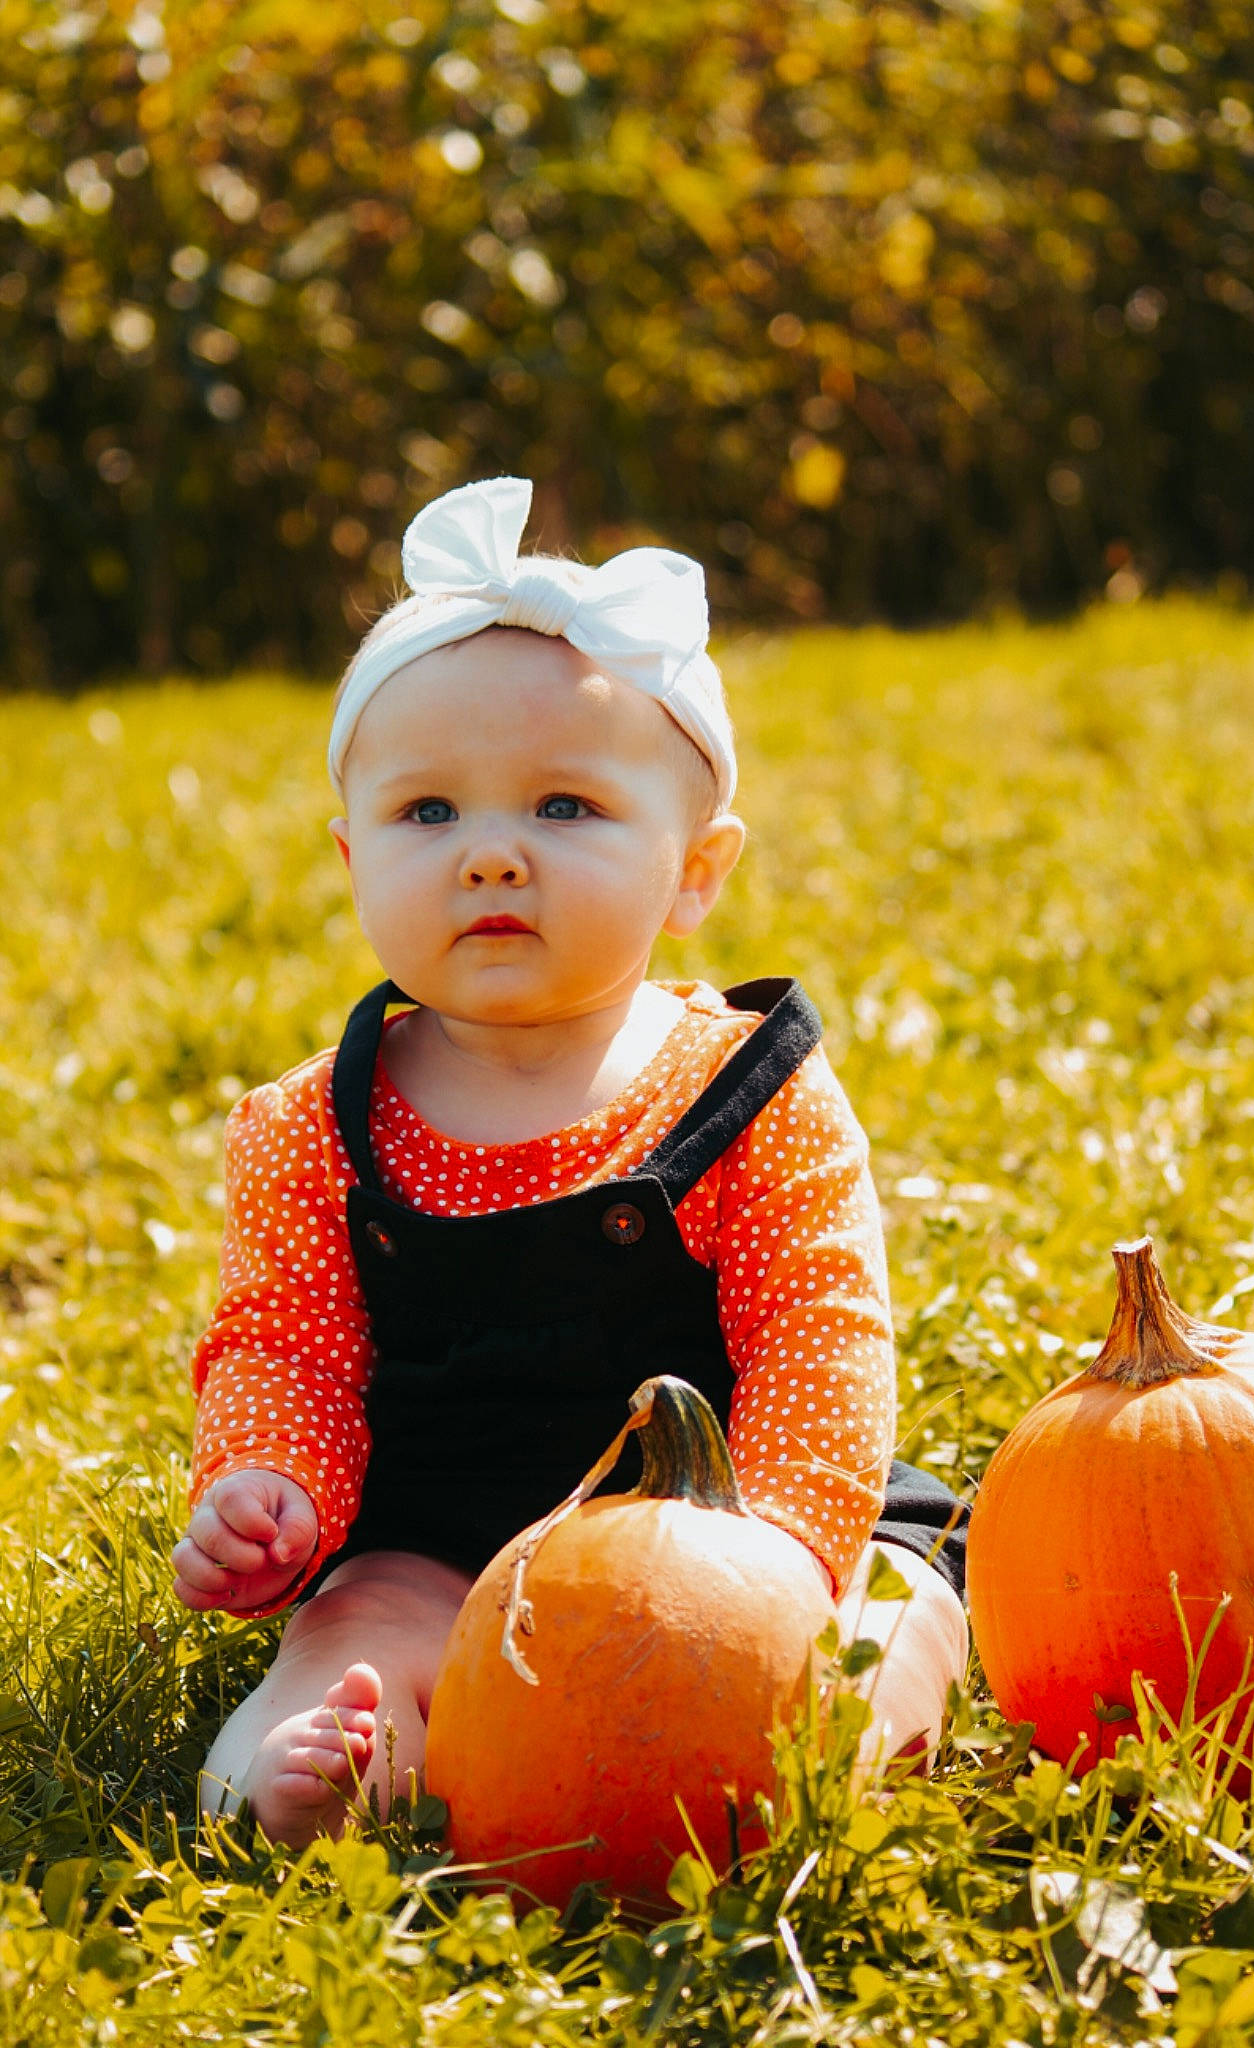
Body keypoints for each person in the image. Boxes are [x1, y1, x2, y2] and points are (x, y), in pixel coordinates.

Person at [173, 476, 970, 1847]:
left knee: (890, 1614)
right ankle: (306, 1766)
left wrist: (760, 1574)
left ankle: (829, 1749)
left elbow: (818, 1337)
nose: (491, 856)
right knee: (362, 1622)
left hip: (741, 1519)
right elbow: (284, 1346)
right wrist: (270, 1492)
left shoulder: (746, 1090)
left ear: (693, 871)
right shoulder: (312, 1125)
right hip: (452, 1542)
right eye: (428, 814)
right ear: (350, 852)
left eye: (562, 807)